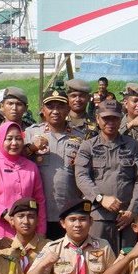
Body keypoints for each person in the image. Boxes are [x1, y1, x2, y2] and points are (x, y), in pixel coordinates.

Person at [74, 99, 138, 251]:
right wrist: (100, 198)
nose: (110, 123)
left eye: (115, 118)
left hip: (126, 217)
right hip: (98, 216)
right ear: (97, 118)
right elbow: (81, 177)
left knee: (126, 259)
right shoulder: (88, 146)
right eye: (106, 118)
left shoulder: (132, 145)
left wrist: (132, 211)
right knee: (97, 258)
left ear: (121, 119)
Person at [0, 120, 45, 240]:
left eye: (18, 138)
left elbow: (39, 200)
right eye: (9, 139)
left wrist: (41, 230)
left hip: (28, 232)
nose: (14, 143)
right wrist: (3, 212)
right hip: (0, 230)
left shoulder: (31, 167)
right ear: (0, 140)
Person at [32, 89, 84, 239]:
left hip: (69, 211)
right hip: (38, 212)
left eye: (60, 106)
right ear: (43, 110)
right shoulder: (31, 133)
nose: (55, 111)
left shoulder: (80, 137)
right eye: (50, 106)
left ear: (68, 109)